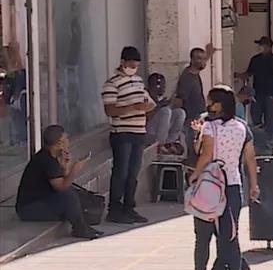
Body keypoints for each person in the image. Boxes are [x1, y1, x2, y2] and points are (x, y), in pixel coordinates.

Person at [180, 85, 258, 270]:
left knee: (203, 236)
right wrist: (254, 184)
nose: (208, 104)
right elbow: (249, 158)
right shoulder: (242, 127)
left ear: (218, 104)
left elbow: (204, 154)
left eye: (211, 101)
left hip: (209, 185)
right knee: (230, 234)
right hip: (233, 184)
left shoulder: (209, 128)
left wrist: (194, 174)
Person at [16, 124, 102, 239]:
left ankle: (83, 225)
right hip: (28, 209)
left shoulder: (52, 156)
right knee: (68, 196)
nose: (68, 141)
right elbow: (61, 188)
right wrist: (74, 170)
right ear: (59, 143)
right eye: (66, 138)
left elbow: (63, 182)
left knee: (74, 193)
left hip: (42, 201)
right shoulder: (46, 160)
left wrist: (65, 167)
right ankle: (80, 229)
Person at [101, 46, 155, 224]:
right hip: (121, 133)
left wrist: (146, 107)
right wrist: (133, 107)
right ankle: (114, 209)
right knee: (120, 172)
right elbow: (110, 110)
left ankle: (129, 207)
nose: (133, 68)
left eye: (136, 65)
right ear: (123, 62)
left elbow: (149, 102)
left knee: (133, 173)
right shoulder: (111, 84)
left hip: (139, 132)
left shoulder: (138, 82)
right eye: (131, 64)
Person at [238, 36, 273, 132]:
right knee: (255, 116)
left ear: (268, 46)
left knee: (270, 119)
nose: (259, 47)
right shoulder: (255, 59)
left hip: (271, 93)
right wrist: (237, 75)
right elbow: (249, 73)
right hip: (257, 93)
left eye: (261, 45)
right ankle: (259, 138)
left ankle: (269, 139)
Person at [145, 72, 185, 151]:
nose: (164, 88)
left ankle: (170, 142)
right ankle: (161, 144)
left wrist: (171, 104)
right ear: (157, 86)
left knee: (180, 112)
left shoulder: (159, 97)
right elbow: (146, 117)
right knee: (165, 111)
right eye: (162, 86)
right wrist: (159, 106)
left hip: (160, 131)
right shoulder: (145, 96)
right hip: (148, 132)